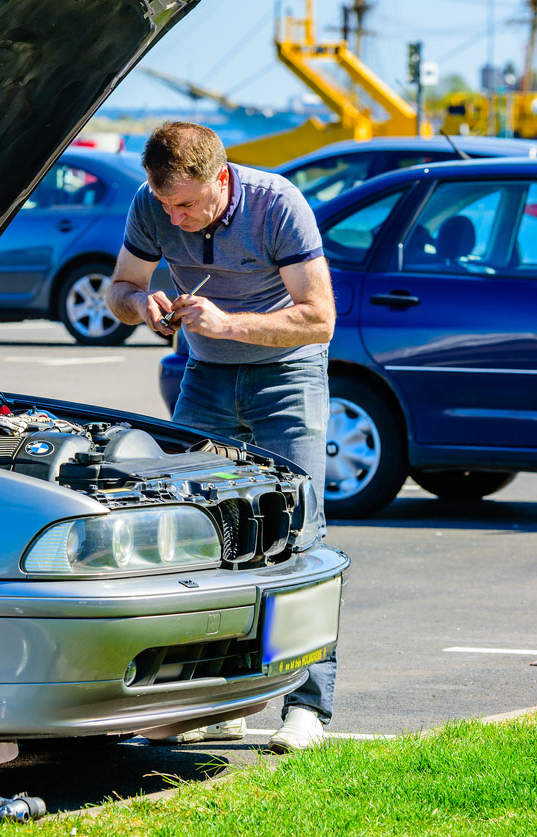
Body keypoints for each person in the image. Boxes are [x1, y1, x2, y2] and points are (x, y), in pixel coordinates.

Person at [106, 122, 337, 753]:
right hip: (206, 373)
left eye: (186, 204)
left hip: (285, 376)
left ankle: (307, 706)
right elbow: (120, 288)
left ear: (221, 178)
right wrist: (142, 305)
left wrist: (229, 323)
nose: (175, 219)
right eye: (165, 205)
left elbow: (319, 319)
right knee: (186, 529)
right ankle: (215, 703)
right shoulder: (151, 205)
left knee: (300, 532)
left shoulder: (276, 204)